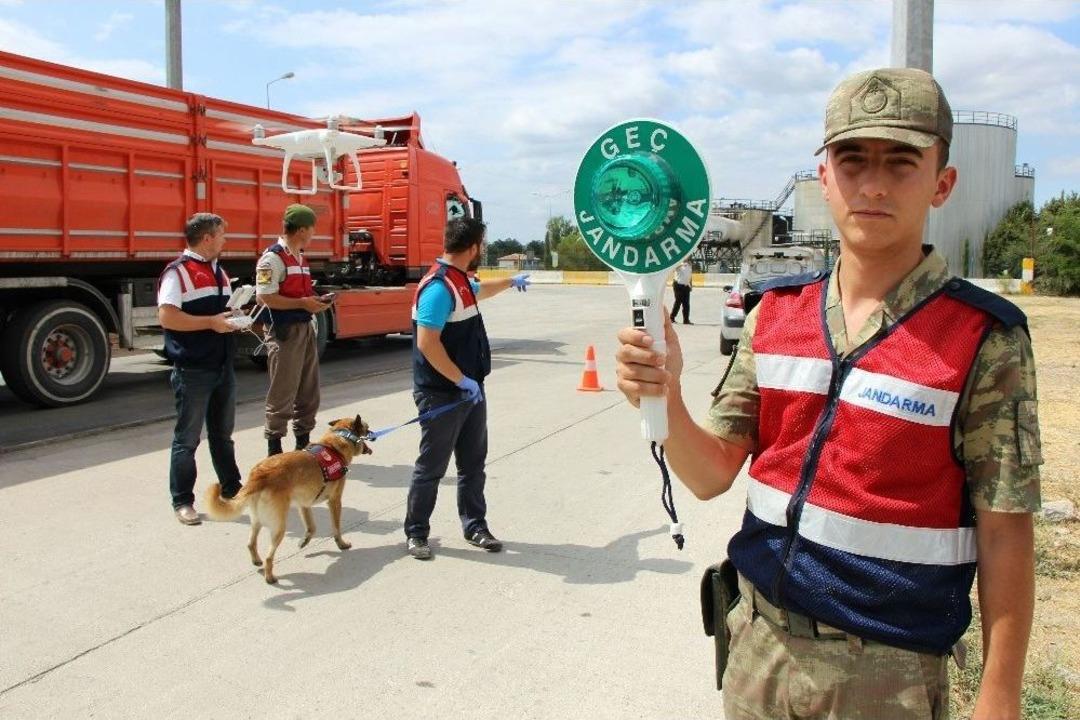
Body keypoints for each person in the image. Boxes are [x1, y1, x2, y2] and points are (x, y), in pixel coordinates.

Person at [615, 68, 1041, 720]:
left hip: (886, 675)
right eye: (852, 160)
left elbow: (1006, 532)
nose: (872, 184)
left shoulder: (983, 338)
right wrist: (665, 395)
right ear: (824, 177)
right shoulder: (775, 314)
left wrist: (1000, 697)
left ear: (942, 182)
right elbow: (708, 476)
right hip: (756, 649)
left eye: (901, 163)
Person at [404, 217, 531, 560]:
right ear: (474, 247)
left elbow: (479, 291)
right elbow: (428, 342)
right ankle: (416, 533)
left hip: (471, 391)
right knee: (432, 467)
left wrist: (510, 281)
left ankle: (475, 526)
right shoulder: (437, 288)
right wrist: (460, 380)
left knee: (473, 464)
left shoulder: (459, 281)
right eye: (483, 245)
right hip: (442, 394)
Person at [157, 213, 243, 525]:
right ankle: (183, 501)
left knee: (223, 435)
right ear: (207, 238)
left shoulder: (219, 271)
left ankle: (233, 490)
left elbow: (218, 314)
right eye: (222, 235)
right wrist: (211, 323)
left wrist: (233, 317)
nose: (225, 240)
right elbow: (167, 317)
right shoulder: (177, 273)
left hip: (222, 365)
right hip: (193, 369)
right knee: (187, 439)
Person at [255, 203, 331, 456]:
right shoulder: (272, 259)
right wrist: (302, 303)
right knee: (283, 389)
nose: (313, 234)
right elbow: (264, 297)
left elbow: (300, 292)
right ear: (301, 230)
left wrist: (316, 301)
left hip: (304, 327)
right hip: (284, 332)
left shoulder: (300, 257)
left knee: (309, 389)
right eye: (311, 229)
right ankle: (274, 448)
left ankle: (303, 443)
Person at [670, 260, 693, 324]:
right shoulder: (678, 263)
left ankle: (686, 320)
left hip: (686, 286)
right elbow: (672, 269)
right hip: (678, 285)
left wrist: (691, 285)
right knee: (678, 302)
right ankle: (672, 318)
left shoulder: (690, 264)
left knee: (686, 304)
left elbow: (690, 276)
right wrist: (681, 264)